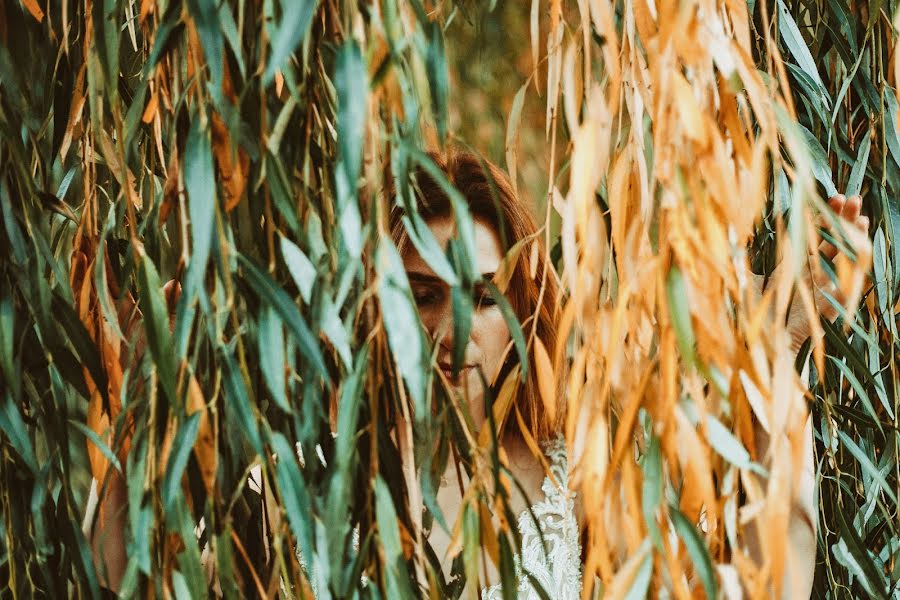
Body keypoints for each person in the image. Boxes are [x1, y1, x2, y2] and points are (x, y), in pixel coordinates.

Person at [87, 148, 869, 598]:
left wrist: (779, 347)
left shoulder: (593, 489)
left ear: (523, 310)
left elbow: (774, 579)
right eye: (425, 296)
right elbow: (129, 577)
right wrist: (145, 394)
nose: (455, 328)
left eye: (484, 296)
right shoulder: (310, 486)